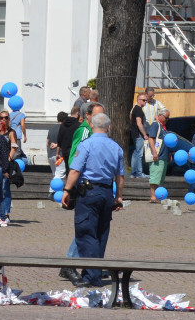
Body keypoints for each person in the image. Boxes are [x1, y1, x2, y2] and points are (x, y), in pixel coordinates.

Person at [61, 112, 124, 287]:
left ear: (91, 126)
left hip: (88, 192)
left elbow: (75, 171)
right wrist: (118, 197)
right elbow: (120, 176)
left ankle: (91, 277)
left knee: (86, 232)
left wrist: (66, 190)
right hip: (106, 192)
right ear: (109, 128)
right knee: (101, 233)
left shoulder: (86, 145)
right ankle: (94, 271)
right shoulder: (116, 147)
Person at [146, 108, 169, 201]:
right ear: (160, 116)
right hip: (158, 155)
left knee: (160, 177)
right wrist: (154, 152)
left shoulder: (163, 126)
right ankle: (153, 196)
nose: (167, 120)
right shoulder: (156, 124)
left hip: (164, 155)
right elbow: (151, 139)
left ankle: (159, 195)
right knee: (155, 176)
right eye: (166, 118)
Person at [129, 92, 150, 179]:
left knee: (135, 153)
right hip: (138, 134)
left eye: (146, 100)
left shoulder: (136, 109)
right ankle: (139, 172)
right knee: (139, 154)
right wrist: (144, 134)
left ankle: (134, 172)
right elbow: (139, 123)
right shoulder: (138, 110)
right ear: (138, 100)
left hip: (135, 134)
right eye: (144, 100)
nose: (145, 102)